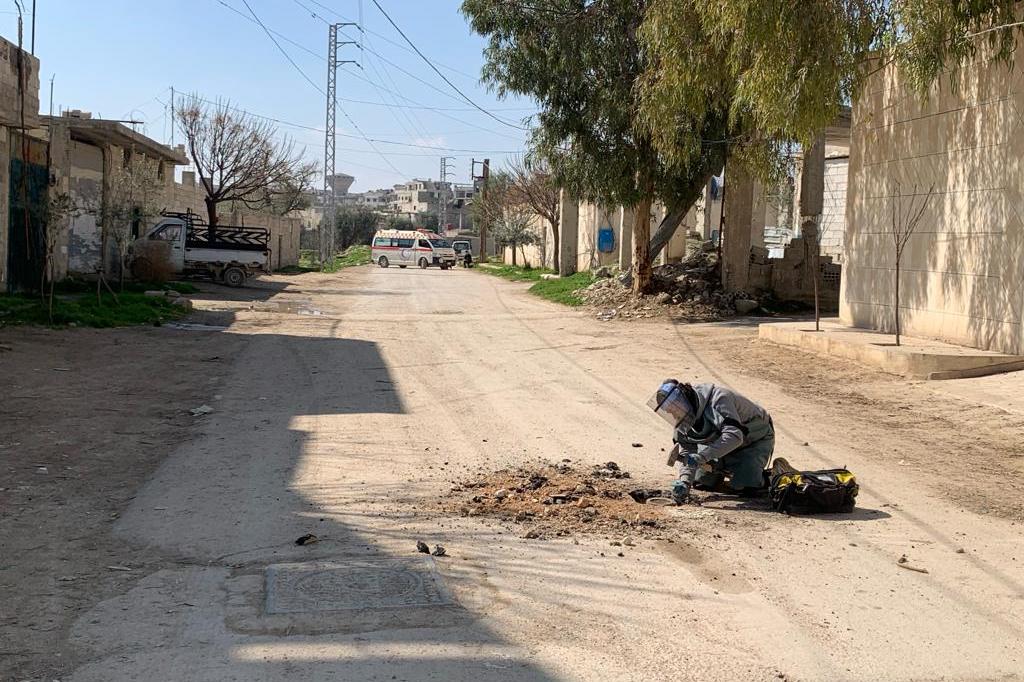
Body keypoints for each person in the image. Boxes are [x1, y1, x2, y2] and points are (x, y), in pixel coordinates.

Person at [647, 379, 774, 504]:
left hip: (752, 441)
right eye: (671, 412)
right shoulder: (683, 418)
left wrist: (702, 456)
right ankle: (724, 473)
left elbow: (735, 436)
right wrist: (684, 481)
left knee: (748, 486)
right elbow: (687, 450)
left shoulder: (719, 399)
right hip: (720, 445)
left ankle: (773, 475)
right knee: (702, 482)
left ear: (684, 399)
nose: (675, 415)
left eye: (675, 409)